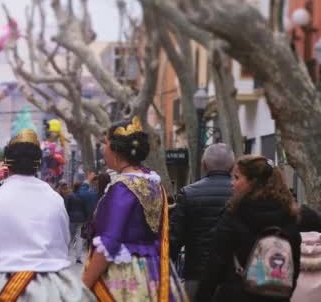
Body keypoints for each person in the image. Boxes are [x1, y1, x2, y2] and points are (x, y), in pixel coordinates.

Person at [0, 129, 95, 301]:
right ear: (38, 163)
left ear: (7, 163)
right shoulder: (54, 198)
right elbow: (62, 243)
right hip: (50, 288)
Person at [81, 116, 187, 301]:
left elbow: (109, 243)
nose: (103, 149)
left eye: (105, 143)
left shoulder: (122, 188)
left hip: (125, 277)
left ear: (115, 151)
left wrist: (82, 287)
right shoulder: (153, 183)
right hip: (153, 272)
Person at [196, 155, 302, 302]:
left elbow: (215, 263)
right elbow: (294, 262)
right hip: (276, 296)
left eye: (237, 178)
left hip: (236, 294)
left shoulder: (234, 214)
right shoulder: (289, 215)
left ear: (252, 182)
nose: (232, 183)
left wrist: (202, 297)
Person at [169, 143, 235, 299]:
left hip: (196, 274)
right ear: (233, 166)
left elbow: (174, 238)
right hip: (232, 277)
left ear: (204, 165)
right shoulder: (242, 194)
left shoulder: (188, 193)